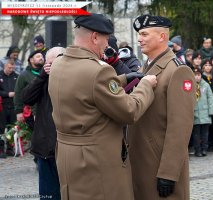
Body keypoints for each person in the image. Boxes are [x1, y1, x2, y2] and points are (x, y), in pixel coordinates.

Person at [48, 13, 157, 200]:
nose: (107, 46)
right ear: (95, 37)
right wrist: (145, 85)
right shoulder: (99, 71)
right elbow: (129, 111)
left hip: (67, 157)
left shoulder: (58, 64)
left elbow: (84, 89)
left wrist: (121, 79)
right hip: (95, 161)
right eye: (106, 39)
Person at [129, 14, 196, 199]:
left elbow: (180, 127)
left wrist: (169, 172)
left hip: (158, 165)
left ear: (162, 37)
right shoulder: (145, 68)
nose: (139, 39)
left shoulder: (177, 70)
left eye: (144, 34)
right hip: (142, 161)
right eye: (139, 35)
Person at [22, 47, 65, 200]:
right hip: (45, 148)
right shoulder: (43, 79)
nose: (50, 66)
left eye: (54, 63)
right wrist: (42, 76)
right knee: (48, 195)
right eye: (48, 63)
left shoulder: (72, 79)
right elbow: (26, 98)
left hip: (66, 148)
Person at [14, 50, 44, 123]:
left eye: (42, 56)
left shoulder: (46, 72)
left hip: (45, 111)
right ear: (31, 60)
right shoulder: (24, 75)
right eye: (38, 56)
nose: (41, 58)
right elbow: (18, 93)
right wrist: (19, 112)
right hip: (30, 113)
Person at [192, 67, 213, 157]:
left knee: (205, 133)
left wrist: (211, 111)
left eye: (198, 75)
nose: (197, 77)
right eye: (195, 75)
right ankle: (197, 150)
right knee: (196, 133)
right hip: (195, 113)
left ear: (201, 75)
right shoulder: (190, 85)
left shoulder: (206, 85)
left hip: (205, 113)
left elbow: (210, 98)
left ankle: (204, 149)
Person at [0, 60, 18, 133]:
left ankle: (11, 143)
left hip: (13, 106)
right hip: (2, 106)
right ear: (5, 66)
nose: (11, 70)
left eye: (12, 68)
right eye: (9, 68)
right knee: (1, 127)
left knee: (13, 127)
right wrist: (7, 94)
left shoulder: (16, 76)